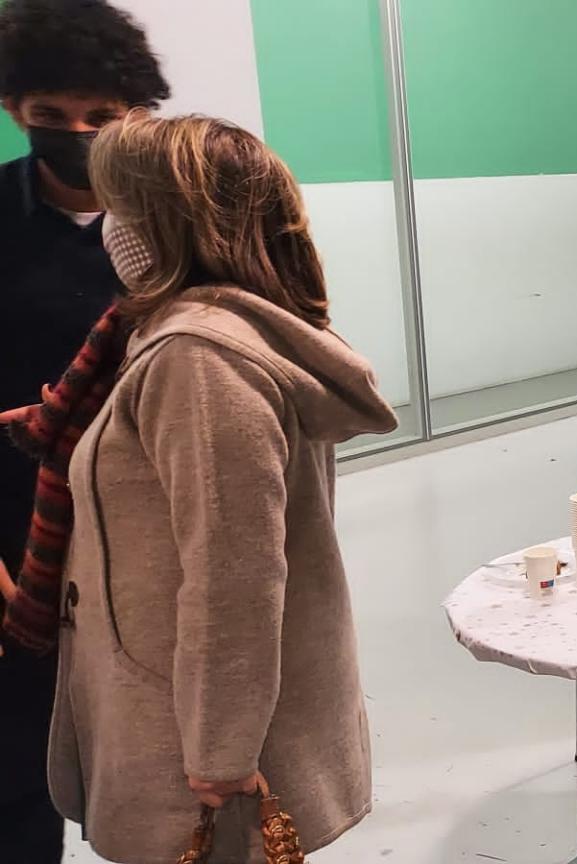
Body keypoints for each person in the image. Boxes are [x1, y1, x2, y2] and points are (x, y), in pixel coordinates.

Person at [31, 111, 398, 862]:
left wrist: (221, 755)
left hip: (191, 732)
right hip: (177, 695)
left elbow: (234, 574)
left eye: (121, 208)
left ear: (166, 226)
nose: (109, 227)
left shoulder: (199, 359)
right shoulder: (209, 333)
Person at [0, 2, 168, 860]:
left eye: (101, 115)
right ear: (13, 110)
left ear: (137, 113)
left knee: (157, 762)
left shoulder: (181, 222)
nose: (77, 134)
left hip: (151, 535)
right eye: (50, 114)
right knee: (17, 776)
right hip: (16, 535)